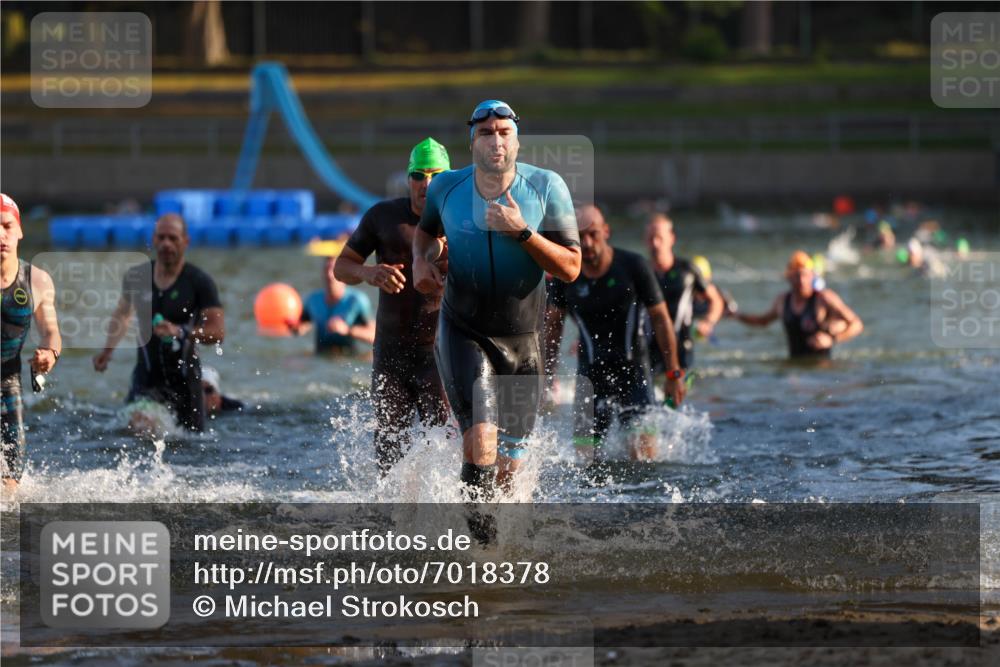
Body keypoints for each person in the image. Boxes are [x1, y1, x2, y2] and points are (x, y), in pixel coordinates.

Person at [412, 99, 581, 499]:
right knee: (481, 446)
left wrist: (522, 232)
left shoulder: (547, 187)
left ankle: (491, 543)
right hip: (465, 331)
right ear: (473, 143)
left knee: (508, 474)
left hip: (524, 341)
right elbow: (426, 235)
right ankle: (479, 553)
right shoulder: (445, 187)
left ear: (517, 142)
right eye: (486, 133)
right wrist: (421, 262)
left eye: (504, 132)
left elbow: (571, 267)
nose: (496, 141)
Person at [334, 138, 452, 475]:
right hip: (390, 355)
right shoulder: (383, 217)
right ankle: (392, 521)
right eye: (418, 175)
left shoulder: (461, 223)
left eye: (435, 175)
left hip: (440, 356)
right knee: (388, 450)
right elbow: (341, 267)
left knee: (445, 445)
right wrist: (369, 272)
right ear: (409, 179)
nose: (426, 184)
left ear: (447, 177)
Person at [545, 205, 685, 462]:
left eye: (593, 234)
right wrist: (546, 376)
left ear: (606, 232)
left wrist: (673, 372)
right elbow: (553, 326)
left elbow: (661, 319)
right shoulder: (565, 276)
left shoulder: (633, 266)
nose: (587, 243)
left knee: (643, 460)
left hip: (634, 373)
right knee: (585, 463)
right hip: (590, 377)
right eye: (579, 236)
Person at [93, 213, 225, 432]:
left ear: (186, 241)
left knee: (191, 445)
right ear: (153, 240)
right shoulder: (137, 276)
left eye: (173, 238)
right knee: (141, 426)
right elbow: (122, 315)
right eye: (161, 237)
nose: (166, 244)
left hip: (185, 380)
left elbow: (217, 332)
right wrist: (107, 351)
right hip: (147, 379)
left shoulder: (200, 282)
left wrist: (181, 331)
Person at [1, 194, 61, 491]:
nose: (1, 235)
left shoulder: (36, 280)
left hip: (7, 382)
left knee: (12, 482)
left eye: (7, 226)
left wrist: (49, 353)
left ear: (19, 230)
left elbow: (50, 332)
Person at [735, 251, 863, 359]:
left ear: (812, 276)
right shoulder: (783, 300)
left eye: (805, 275)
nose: (801, 280)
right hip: (795, 363)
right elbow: (763, 321)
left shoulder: (824, 298)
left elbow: (856, 324)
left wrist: (832, 339)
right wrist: (737, 315)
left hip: (822, 367)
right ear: (788, 277)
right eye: (797, 276)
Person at [645, 214, 724, 371]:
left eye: (659, 237)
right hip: (649, 350)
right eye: (650, 238)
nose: (655, 243)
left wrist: (708, 322)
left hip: (682, 349)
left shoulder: (687, 270)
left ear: (671, 238)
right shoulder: (641, 272)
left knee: (680, 393)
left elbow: (716, 300)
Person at [292, 257, 375, 354]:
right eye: (326, 269)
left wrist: (347, 330)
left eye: (333, 270)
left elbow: (374, 336)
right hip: (320, 358)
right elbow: (303, 326)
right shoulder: (313, 300)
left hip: (348, 359)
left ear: (343, 274)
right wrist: (294, 328)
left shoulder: (356, 300)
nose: (329, 275)